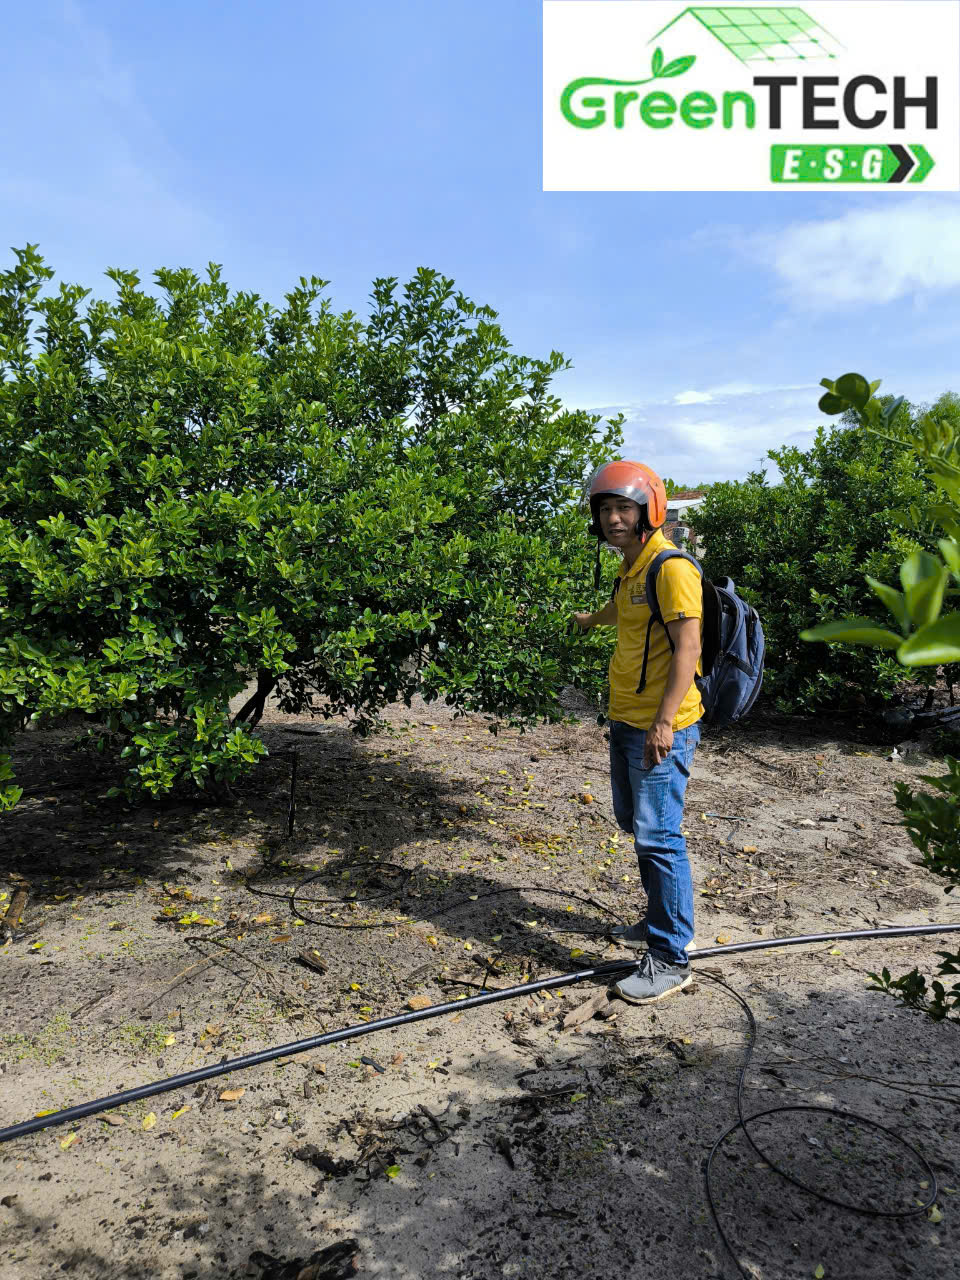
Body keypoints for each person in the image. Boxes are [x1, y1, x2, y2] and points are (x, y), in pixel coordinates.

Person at [572, 459, 703, 1004]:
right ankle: (659, 919)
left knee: (658, 834)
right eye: (605, 509)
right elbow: (623, 610)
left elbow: (689, 646)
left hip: (659, 724)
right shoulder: (634, 568)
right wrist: (587, 621)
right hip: (626, 718)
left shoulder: (670, 568)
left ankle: (671, 955)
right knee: (636, 823)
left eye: (623, 508)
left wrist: (664, 721)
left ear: (649, 510)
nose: (613, 519)